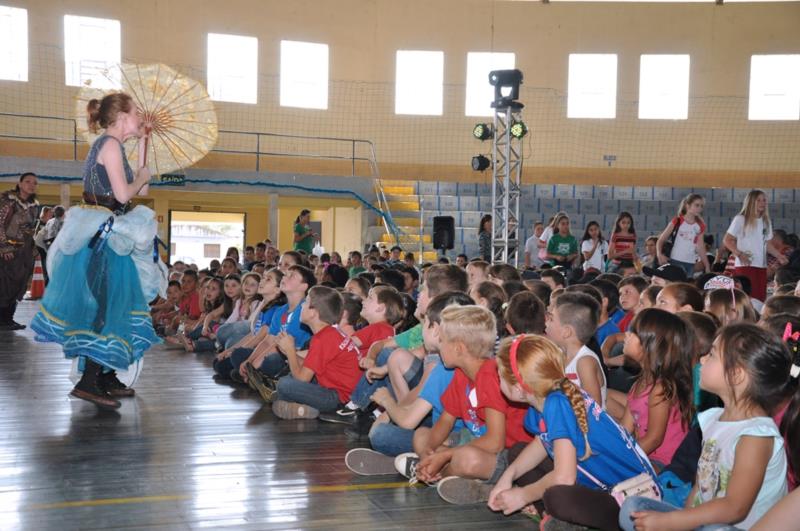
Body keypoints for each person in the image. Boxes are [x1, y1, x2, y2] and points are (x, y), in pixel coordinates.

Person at [30, 93, 167, 409]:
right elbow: (122, 195)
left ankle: (103, 375)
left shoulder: (114, 146)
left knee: (113, 304)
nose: (139, 119)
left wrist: (145, 143)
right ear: (121, 116)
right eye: (136, 114)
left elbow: (140, 192)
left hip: (111, 231)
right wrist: (142, 178)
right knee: (104, 307)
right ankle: (89, 380)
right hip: (102, 235)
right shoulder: (109, 145)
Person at [619, 323, 790, 530]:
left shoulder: (755, 436)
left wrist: (672, 522)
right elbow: (699, 487)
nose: (701, 360)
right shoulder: (713, 419)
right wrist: (683, 518)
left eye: (712, 354)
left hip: (734, 527)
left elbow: (735, 508)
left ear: (736, 375)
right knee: (633, 508)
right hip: (705, 519)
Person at [488, 334, 658, 531]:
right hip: (599, 488)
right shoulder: (546, 397)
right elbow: (541, 444)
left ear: (518, 389)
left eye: (499, 375)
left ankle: (562, 518)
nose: (497, 378)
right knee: (517, 453)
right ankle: (557, 519)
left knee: (557, 497)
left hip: (632, 501)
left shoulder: (557, 404)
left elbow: (564, 478)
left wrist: (524, 495)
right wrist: (507, 477)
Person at [607, 309, 694, 470]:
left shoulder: (660, 389)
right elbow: (625, 429)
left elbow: (654, 439)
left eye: (633, 333)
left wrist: (621, 458)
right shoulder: (639, 384)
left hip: (666, 463)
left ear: (651, 346)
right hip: (647, 454)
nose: (626, 335)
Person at [270, 286, 363, 419]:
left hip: (339, 399)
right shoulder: (329, 333)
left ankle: (302, 406)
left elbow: (302, 379)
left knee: (285, 384)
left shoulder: (323, 338)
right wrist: (289, 353)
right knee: (289, 378)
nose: (301, 306)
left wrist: (290, 350)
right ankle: (298, 406)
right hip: (339, 391)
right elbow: (309, 366)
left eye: (306, 302)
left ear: (314, 312)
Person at [723, 189, 788, 302]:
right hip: (745, 265)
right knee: (746, 299)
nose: (762, 203)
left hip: (761, 266)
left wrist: (779, 255)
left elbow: (767, 243)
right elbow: (727, 240)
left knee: (759, 298)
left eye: (764, 200)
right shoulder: (740, 219)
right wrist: (740, 254)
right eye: (758, 200)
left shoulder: (766, 221)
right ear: (751, 202)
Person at [545, 291, 607, 407]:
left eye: (551, 319)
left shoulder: (585, 362)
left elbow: (594, 408)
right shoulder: (559, 354)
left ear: (566, 332)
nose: (546, 323)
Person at [0, 172, 39, 330]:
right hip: (7, 251)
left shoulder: (34, 205)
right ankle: (2, 320)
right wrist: (4, 246)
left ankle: (9, 319)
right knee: (4, 285)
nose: (31, 185)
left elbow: (30, 230)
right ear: (20, 183)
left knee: (18, 284)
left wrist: (34, 248)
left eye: (35, 183)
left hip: (24, 252)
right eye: (28, 181)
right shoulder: (7, 201)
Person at [656, 193, 711, 278]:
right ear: (688, 205)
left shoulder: (700, 225)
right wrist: (659, 254)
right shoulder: (677, 221)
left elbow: (700, 247)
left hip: (690, 262)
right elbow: (661, 240)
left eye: (701, 206)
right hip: (675, 260)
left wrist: (707, 265)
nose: (699, 208)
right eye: (697, 205)